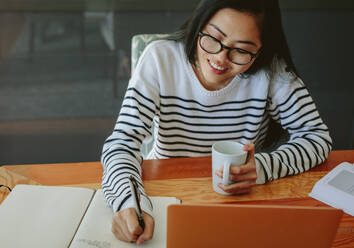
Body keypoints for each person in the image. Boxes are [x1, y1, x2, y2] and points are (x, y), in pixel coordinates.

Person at [101, 0, 332, 244]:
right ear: (198, 24)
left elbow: (317, 137)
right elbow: (121, 144)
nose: (221, 58)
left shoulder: (272, 71)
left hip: (242, 199)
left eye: (241, 50)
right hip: (168, 193)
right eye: (213, 37)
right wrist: (128, 202)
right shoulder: (160, 59)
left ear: (261, 50)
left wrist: (263, 167)